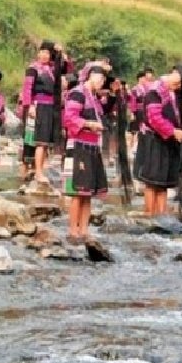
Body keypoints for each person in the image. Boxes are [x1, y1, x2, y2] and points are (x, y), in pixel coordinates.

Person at [62, 65, 113, 241]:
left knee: (87, 192)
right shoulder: (77, 93)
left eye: (103, 80)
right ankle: (73, 231)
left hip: (92, 146)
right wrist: (89, 124)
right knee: (78, 191)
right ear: (90, 76)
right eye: (99, 79)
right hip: (78, 145)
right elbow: (69, 118)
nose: (101, 83)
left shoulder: (95, 98)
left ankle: (84, 230)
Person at [138, 69, 182, 215]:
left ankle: (161, 215)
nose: (178, 87)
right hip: (155, 140)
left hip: (169, 141)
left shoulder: (173, 93)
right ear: (170, 81)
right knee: (152, 180)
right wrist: (173, 131)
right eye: (176, 84)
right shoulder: (154, 93)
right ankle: (149, 214)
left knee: (164, 181)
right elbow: (154, 118)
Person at [21, 41, 71, 183]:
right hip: (39, 105)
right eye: (41, 52)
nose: (43, 55)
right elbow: (27, 88)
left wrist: (61, 52)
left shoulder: (53, 68)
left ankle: (40, 170)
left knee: (47, 141)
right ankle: (38, 172)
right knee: (40, 141)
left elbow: (66, 68)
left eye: (47, 53)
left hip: (51, 106)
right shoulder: (33, 68)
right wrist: (30, 105)